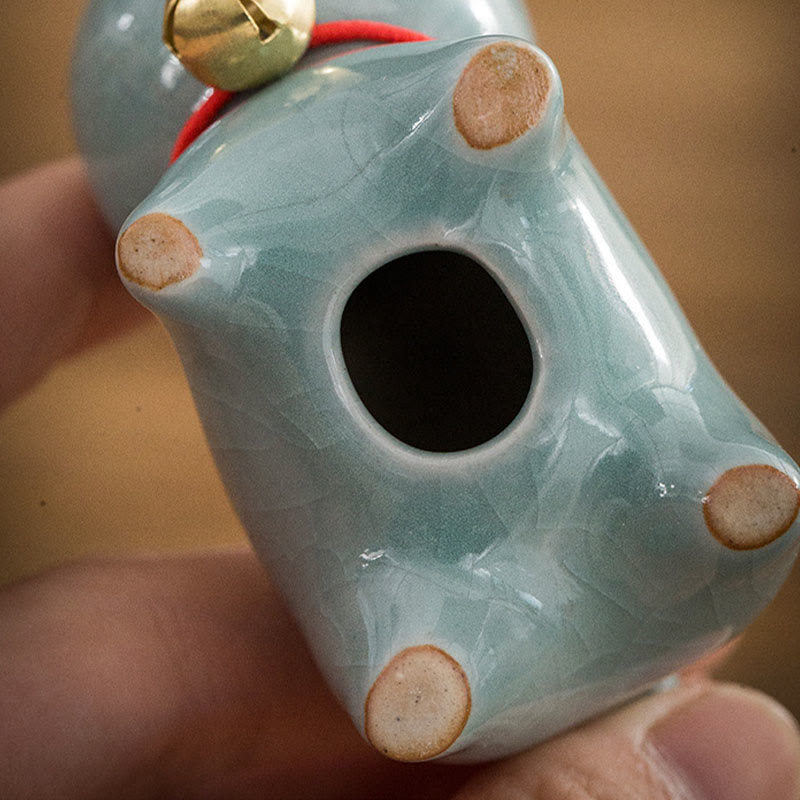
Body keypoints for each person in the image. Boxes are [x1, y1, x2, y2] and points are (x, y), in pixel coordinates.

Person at [1, 159, 799, 800]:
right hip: (439, 601)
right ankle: (442, 662)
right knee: (422, 643)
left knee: (670, 472)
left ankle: (707, 497)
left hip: (617, 487)